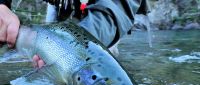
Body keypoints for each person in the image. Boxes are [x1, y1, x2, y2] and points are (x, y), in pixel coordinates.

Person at [0, 0, 150, 68]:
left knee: (95, 61)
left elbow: (114, 10)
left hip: (103, 15)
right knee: (45, 60)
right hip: (63, 6)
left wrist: (67, 50)